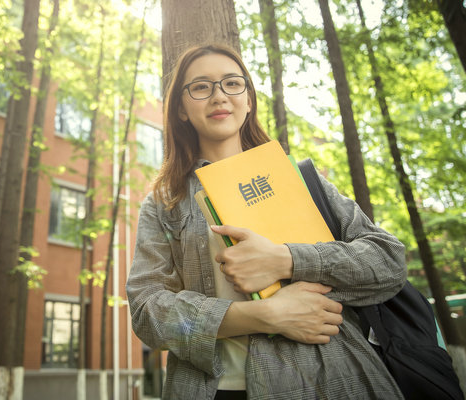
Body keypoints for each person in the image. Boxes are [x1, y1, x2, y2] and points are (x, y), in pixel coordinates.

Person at [125, 43, 407, 400]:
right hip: (210, 389)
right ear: (181, 108)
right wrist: (263, 315)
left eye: (231, 83)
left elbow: (389, 262)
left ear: (248, 99)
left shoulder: (301, 179)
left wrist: (285, 259)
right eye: (200, 86)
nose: (218, 96)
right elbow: (147, 310)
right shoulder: (165, 202)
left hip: (331, 380)